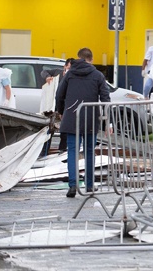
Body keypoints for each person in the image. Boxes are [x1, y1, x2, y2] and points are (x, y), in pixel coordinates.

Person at [56, 48, 110, 198]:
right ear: (91, 59)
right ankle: (90, 185)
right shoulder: (98, 75)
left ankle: (73, 185)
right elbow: (105, 99)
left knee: (73, 151)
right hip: (91, 118)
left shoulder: (70, 74)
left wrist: (61, 111)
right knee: (89, 151)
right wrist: (108, 122)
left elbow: (59, 94)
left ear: (79, 58)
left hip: (72, 117)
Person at [39, 58, 75, 156]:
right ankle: (43, 154)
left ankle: (61, 153)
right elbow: (43, 71)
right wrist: (47, 77)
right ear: (64, 67)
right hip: (53, 108)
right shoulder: (57, 73)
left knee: (64, 133)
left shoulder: (73, 78)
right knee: (49, 131)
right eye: (68, 68)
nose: (70, 70)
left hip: (64, 109)